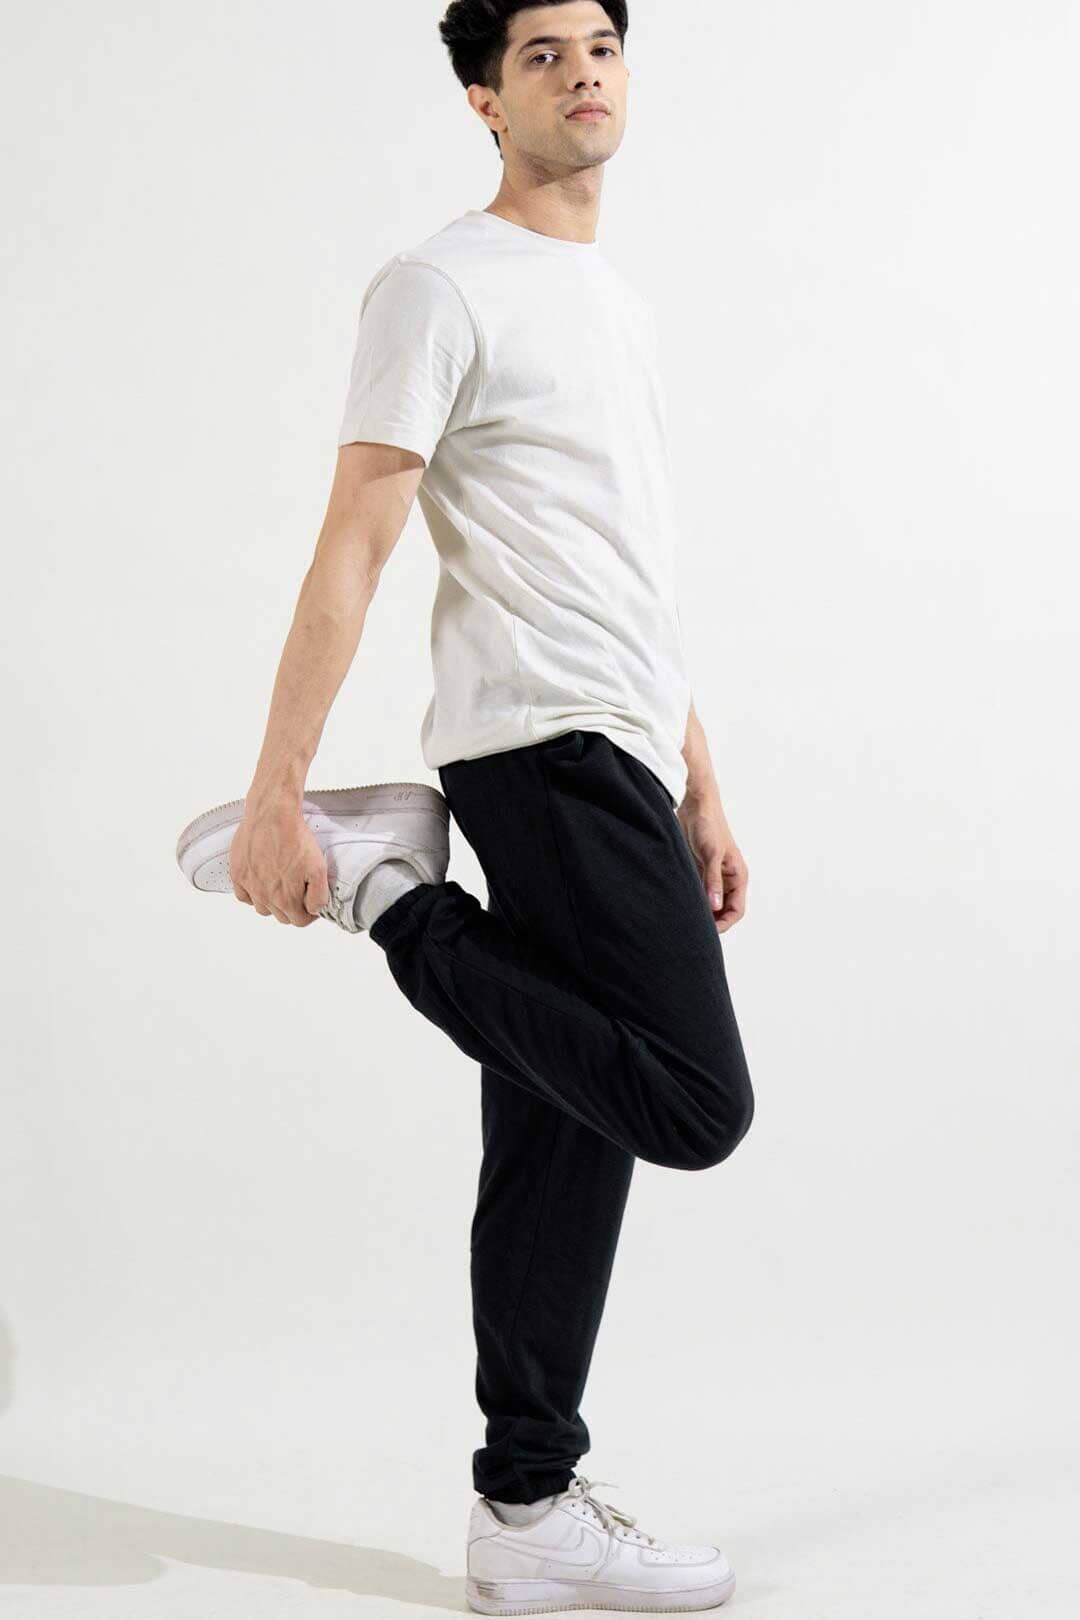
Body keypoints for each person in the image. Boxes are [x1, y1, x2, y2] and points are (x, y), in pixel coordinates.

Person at [175, 2, 754, 1611]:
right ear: (486, 101)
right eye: (542, 55)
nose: (583, 72)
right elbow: (355, 541)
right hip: (540, 745)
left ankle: (526, 1507)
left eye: (601, 45)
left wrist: (702, 776)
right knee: (693, 1101)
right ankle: (389, 893)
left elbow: (628, 575)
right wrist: (279, 796)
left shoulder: (614, 302)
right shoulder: (440, 284)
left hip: (613, 742)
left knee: (568, 1124)